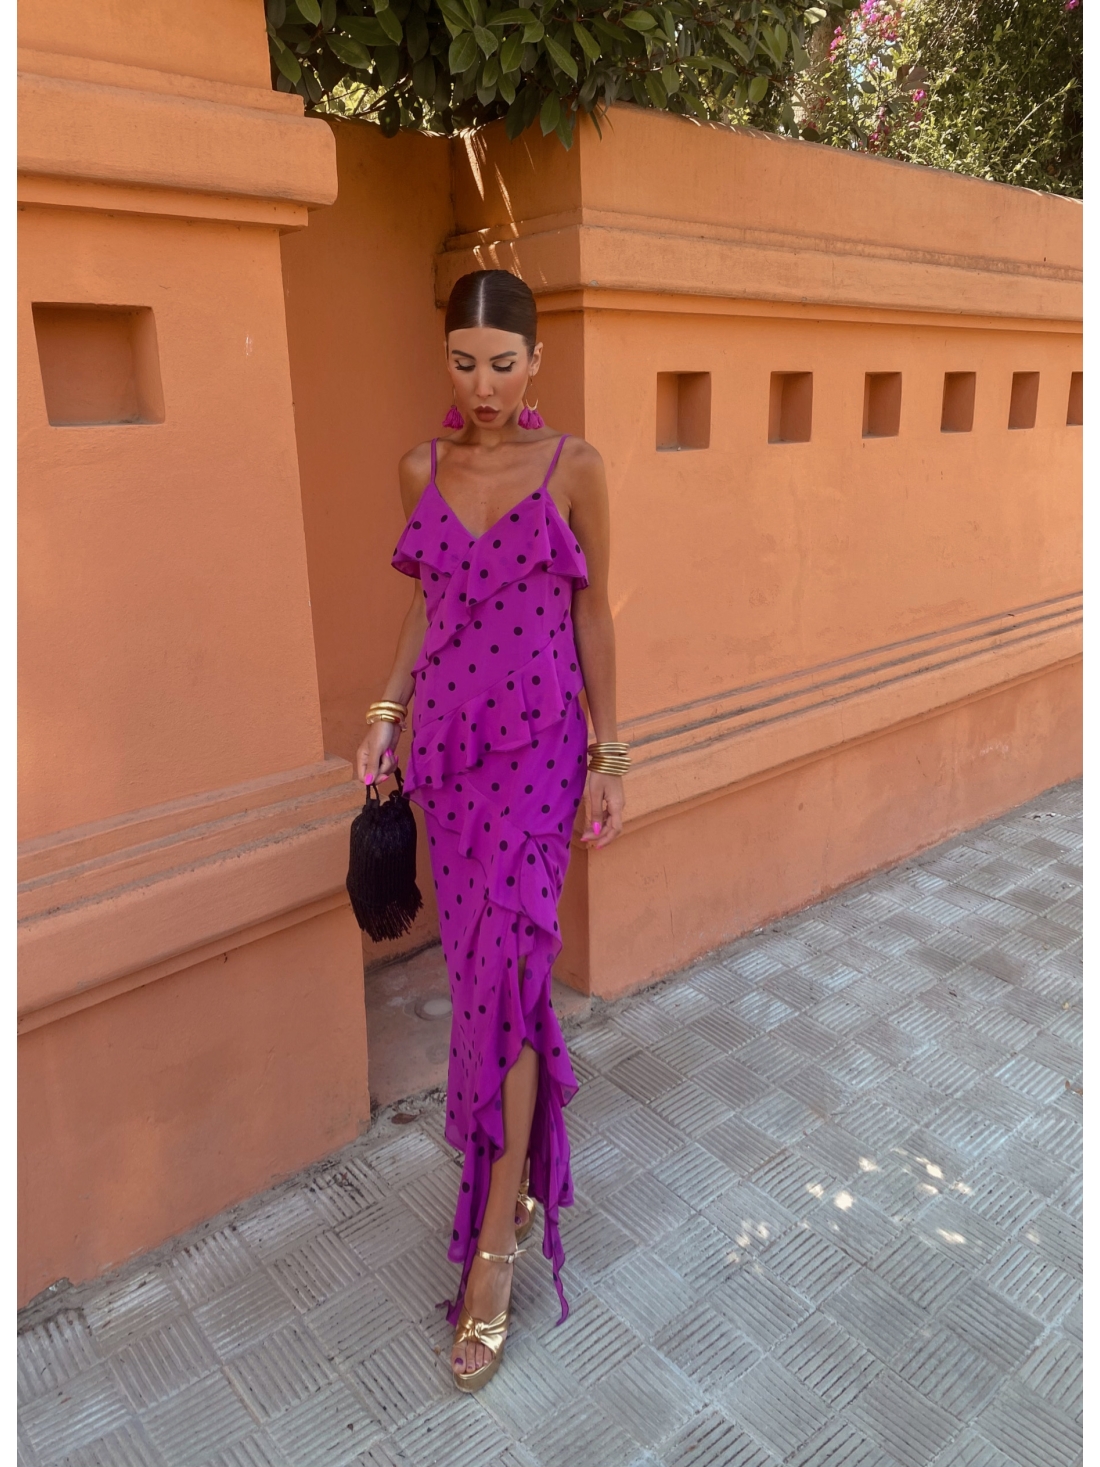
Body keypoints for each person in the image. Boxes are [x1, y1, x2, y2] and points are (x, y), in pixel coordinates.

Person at [356, 269, 627, 1392]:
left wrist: (610, 753)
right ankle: (505, 1183)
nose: (483, 387)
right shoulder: (421, 468)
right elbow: (426, 602)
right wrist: (385, 715)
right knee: (479, 982)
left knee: (512, 976)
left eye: (502, 364)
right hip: (452, 761)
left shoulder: (575, 467)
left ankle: (495, 1246)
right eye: (464, 363)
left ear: (535, 361)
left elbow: (593, 609)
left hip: (541, 753)